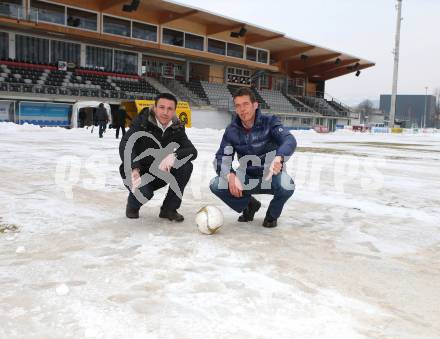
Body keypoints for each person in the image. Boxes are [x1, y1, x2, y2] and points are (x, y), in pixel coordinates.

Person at [209, 87, 297, 228]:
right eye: (238, 106)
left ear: (255, 105)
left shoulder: (270, 122)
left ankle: (271, 215)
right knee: (216, 184)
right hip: (247, 177)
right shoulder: (231, 130)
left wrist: (279, 157)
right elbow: (221, 158)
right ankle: (250, 205)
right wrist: (231, 177)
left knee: (287, 185)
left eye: (246, 104)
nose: (242, 109)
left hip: (270, 176)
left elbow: (289, 140)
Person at [119, 93, 197, 221]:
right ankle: (132, 205)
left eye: (170, 109)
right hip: (137, 172)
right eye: (161, 107)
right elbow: (126, 143)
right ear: (154, 108)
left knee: (185, 165)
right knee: (144, 193)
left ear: (174, 111)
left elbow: (192, 151)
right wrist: (133, 168)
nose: (165, 112)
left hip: (159, 171)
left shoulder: (177, 127)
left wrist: (174, 155)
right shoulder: (142, 122)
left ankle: (169, 209)